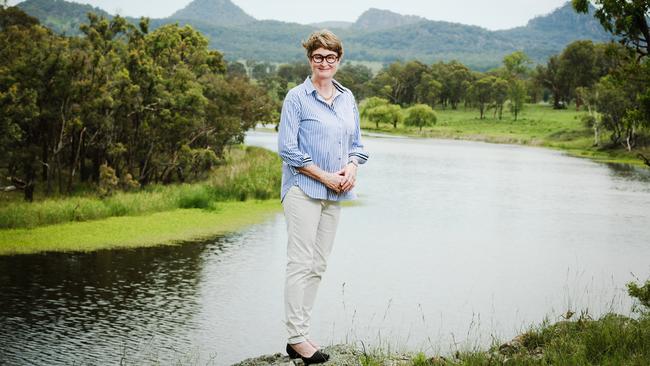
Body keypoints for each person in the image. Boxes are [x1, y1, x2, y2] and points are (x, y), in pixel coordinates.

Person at [278, 29, 369, 365]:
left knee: (318, 265)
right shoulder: (296, 98)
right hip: (303, 190)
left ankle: (300, 334)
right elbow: (288, 150)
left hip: (336, 192)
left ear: (339, 60)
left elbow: (357, 146)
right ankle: (297, 337)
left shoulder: (347, 98)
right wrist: (326, 176)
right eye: (318, 57)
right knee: (300, 263)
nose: (325, 62)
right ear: (310, 60)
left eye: (331, 57)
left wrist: (351, 169)